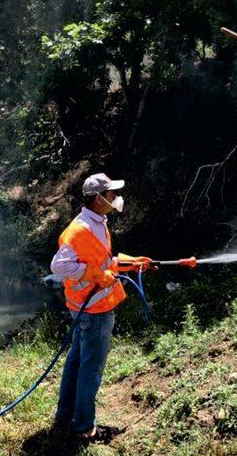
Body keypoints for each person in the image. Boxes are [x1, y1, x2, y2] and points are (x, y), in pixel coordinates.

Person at [50, 173, 152, 443]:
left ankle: (66, 416)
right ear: (98, 198)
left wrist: (130, 262)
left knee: (75, 363)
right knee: (90, 369)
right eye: (110, 194)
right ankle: (84, 428)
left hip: (87, 309)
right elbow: (59, 267)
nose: (115, 198)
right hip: (93, 311)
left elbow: (103, 260)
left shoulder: (97, 222)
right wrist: (94, 275)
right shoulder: (80, 228)